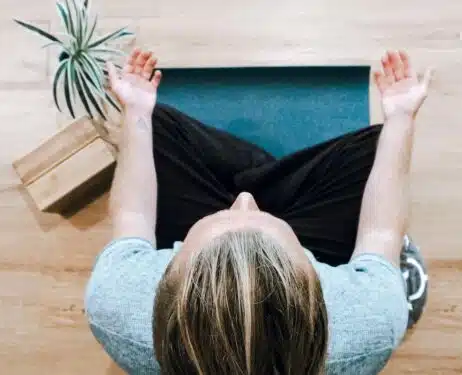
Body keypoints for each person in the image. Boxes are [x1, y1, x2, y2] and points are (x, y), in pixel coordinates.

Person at [84, 48, 432, 375]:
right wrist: (401, 118)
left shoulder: (118, 306)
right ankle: (270, 173)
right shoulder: (367, 323)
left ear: (165, 281)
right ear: (317, 286)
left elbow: (133, 217)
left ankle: (259, 169)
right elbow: (381, 234)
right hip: (323, 241)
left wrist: (137, 113)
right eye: (263, 219)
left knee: (159, 126)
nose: (245, 199)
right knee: (373, 151)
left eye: (227, 214)